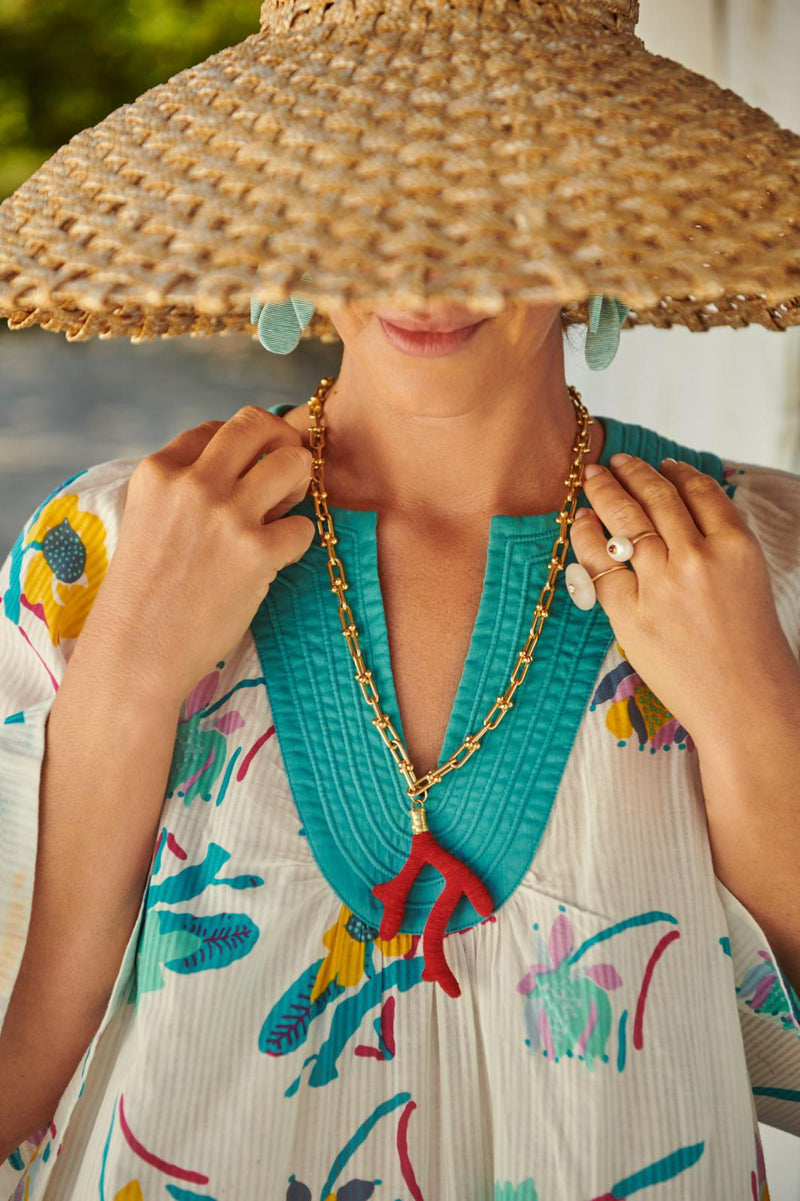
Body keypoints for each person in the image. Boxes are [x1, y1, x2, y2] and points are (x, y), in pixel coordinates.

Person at [0, 2, 799, 1198]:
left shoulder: (756, 566)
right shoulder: (107, 554)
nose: (423, 257)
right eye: (363, 183)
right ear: (291, 213)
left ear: (595, 209)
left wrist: (751, 717)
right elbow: (20, 1093)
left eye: (495, 183)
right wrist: (122, 682)